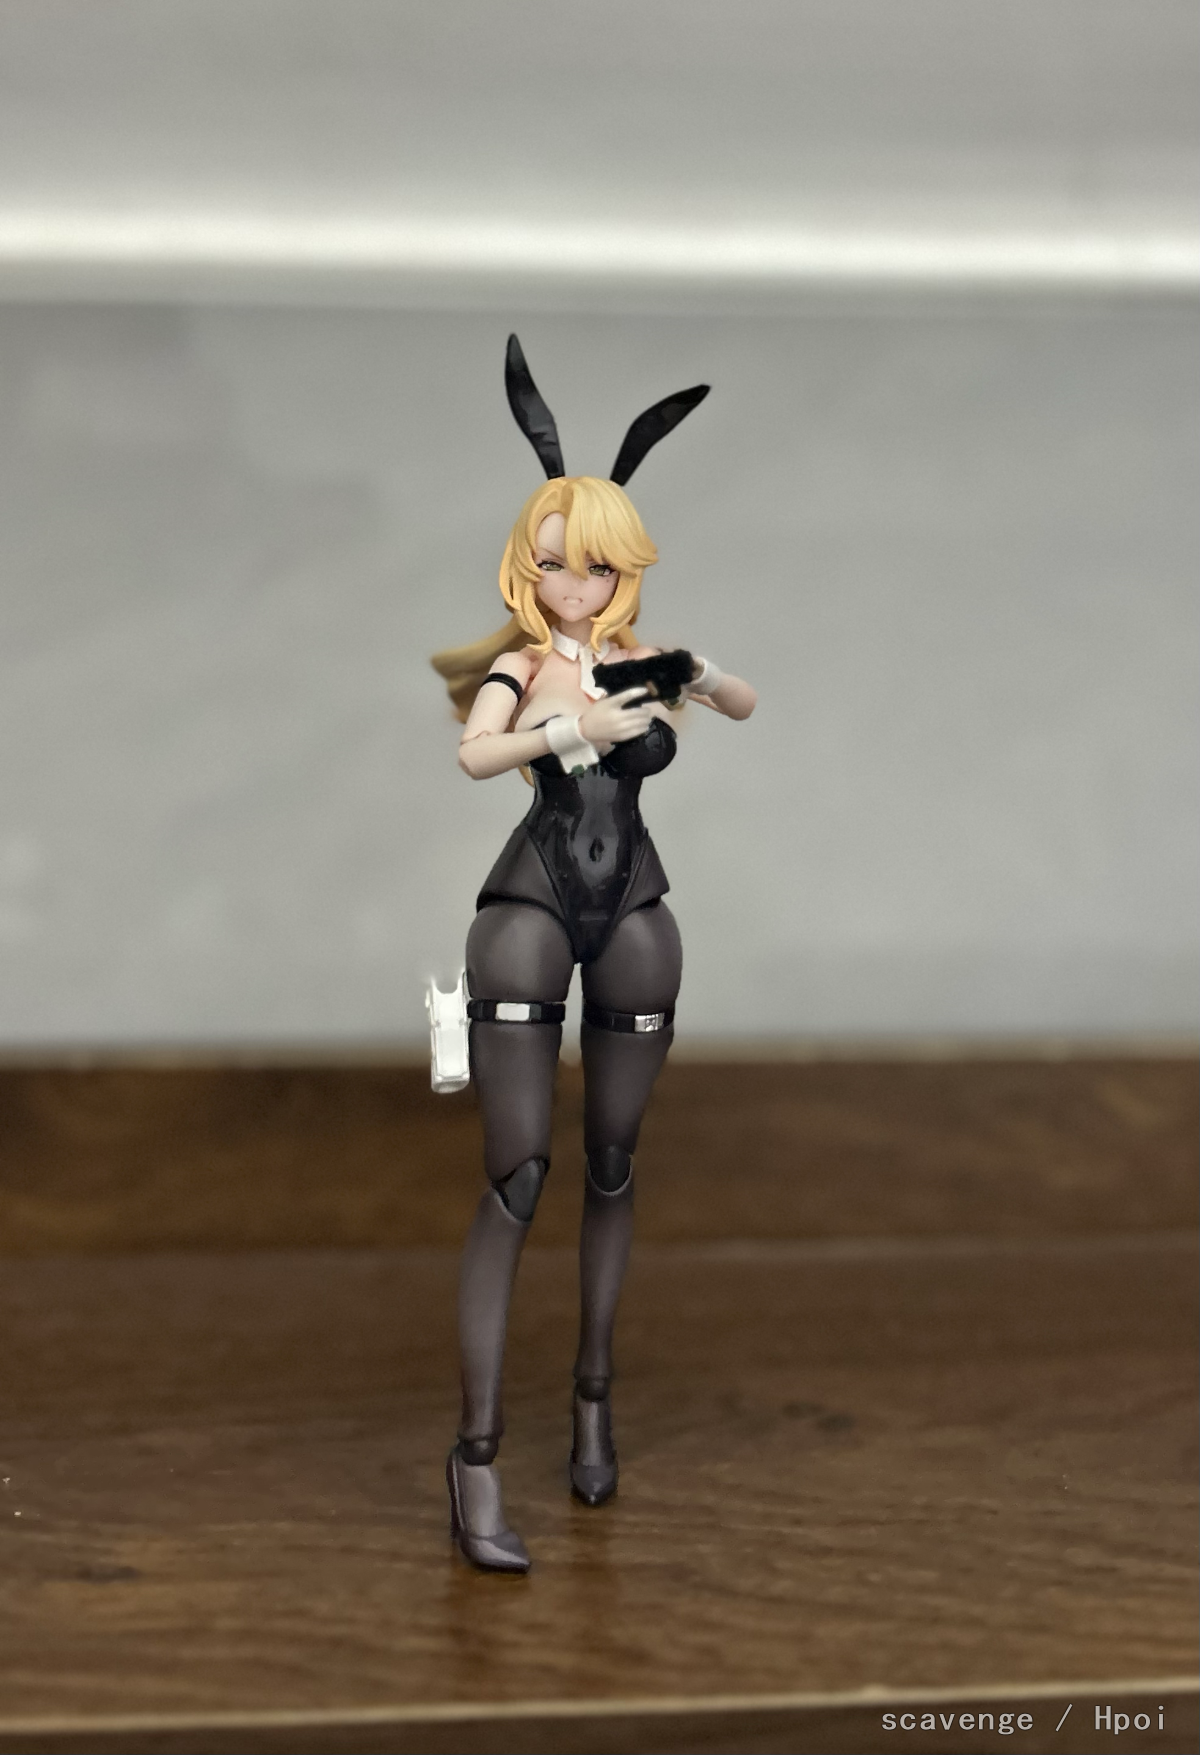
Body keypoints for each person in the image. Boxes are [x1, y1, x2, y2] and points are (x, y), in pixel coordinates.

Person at [430, 337, 756, 1572]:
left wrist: (695, 674)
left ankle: (593, 1400)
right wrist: (563, 729)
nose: (575, 584)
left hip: (633, 909)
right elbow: (474, 756)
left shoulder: (638, 659)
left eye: (599, 565)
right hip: (529, 906)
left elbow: (744, 705)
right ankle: (474, 1459)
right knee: (518, 1176)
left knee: (614, 1164)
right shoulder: (522, 666)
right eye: (557, 562)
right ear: (531, 565)